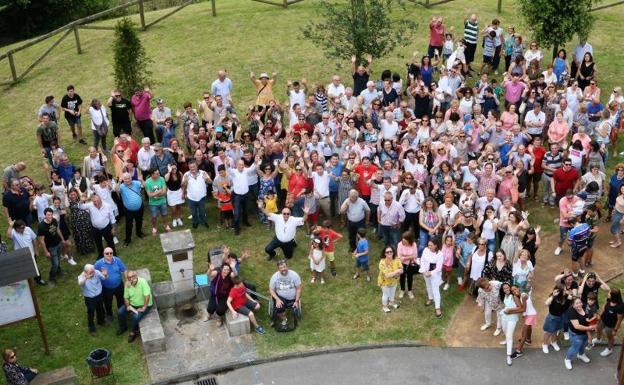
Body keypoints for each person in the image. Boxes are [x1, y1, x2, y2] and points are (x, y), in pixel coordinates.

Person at [117, 270, 153, 343]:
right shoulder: (127, 284)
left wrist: (144, 307)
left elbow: (147, 296)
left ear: (136, 276)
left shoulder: (142, 282)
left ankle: (133, 332)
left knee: (135, 317)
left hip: (144, 305)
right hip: (133, 304)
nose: (131, 279)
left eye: (133, 276)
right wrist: (128, 306)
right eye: (129, 277)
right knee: (120, 312)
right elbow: (126, 297)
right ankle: (123, 327)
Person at [94, 248, 127, 322]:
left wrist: (127, 280)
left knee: (121, 300)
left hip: (119, 285)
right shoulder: (98, 264)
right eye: (107, 253)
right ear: (103, 254)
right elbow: (93, 274)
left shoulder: (117, 260)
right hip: (106, 287)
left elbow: (124, 270)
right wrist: (102, 275)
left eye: (111, 253)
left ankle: (121, 313)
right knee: (108, 302)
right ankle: (109, 314)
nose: (109, 255)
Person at [564, 297, 595, 370]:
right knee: (575, 347)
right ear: (572, 304)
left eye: (580, 302)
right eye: (577, 303)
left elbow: (590, 316)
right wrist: (589, 328)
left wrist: (593, 324)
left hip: (585, 333)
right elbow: (577, 326)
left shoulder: (584, 306)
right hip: (576, 334)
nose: (579, 305)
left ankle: (581, 354)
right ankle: (567, 359)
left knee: (583, 345)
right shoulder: (571, 311)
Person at [268, 260, 302, 327]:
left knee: (281, 307)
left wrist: (296, 301)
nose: (283, 269)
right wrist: (277, 299)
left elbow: (299, 288)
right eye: (281, 268)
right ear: (278, 269)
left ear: (287, 267)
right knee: (279, 308)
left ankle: (282, 315)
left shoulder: (294, 275)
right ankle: (284, 319)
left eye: (284, 267)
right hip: (280, 297)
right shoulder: (275, 277)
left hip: (292, 298)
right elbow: (271, 289)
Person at [37, 208, 66, 286]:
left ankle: (59, 271)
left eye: (51, 214)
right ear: (45, 215)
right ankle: (51, 278)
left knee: (58, 260)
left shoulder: (54, 220)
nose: (50, 216)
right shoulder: (41, 226)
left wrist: (62, 240)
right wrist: (46, 251)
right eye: (48, 215)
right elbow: (41, 240)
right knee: (55, 264)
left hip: (58, 243)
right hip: (51, 247)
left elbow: (58, 230)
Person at [78, 263, 107, 335]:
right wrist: (86, 278)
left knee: (100, 309)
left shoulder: (96, 272)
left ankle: (101, 321)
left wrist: (105, 274)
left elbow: (104, 277)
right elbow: (80, 283)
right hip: (90, 298)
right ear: (85, 272)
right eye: (91, 272)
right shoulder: (82, 276)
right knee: (91, 313)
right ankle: (92, 329)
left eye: (93, 271)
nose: (93, 273)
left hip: (99, 295)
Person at [593, 288, 624, 357]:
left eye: (609, 293)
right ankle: (598, 339)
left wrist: (615, 330)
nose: (608, 293)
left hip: (611, 325)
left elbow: (619, 319)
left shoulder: (620, 307)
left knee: (609, 337)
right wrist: (599, 314)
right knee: (598, 328)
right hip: (603, 320)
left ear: (614, 296)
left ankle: (609, 349)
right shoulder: (608, 300)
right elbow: (604, 307)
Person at [117, 173, 145, 247]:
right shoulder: (122, 186)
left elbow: (144, 186)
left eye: (128, 178)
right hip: (128, 210)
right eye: (125, 179)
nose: (127, 180)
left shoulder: (136, 183)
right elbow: (115, 189)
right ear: (123, 180)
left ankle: (139, 233)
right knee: (129, 225)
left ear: (131, 178)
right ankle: (127, 240)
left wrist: (142, 180)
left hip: (139, 207)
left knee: (139, 221)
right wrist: (119, 182)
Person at [182, 159, 211, 229]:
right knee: (193, 213)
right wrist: (185, 182)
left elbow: (210, 182)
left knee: (202, 211)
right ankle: (195, 222)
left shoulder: (203, 173)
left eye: (194, 166)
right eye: (190, 167)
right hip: (191, 198)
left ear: (197, 166)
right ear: (189, 167)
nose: (192, 168)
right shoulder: (186, 174)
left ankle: (203, 221)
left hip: (202, 197)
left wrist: (207, 179)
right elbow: (182, 185)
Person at [500, 283, 524, 366]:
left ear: (510, 288)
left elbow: (520, 307)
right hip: (504, 316)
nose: (506, 290)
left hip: (512, 319)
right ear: (502, 290)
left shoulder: (514, 297)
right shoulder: (505, 296)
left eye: (507, 288)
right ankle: (506, 340)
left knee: (509, 336)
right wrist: (505, 309)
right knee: (504, 329)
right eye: (504, 289)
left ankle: (509, 355)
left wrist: (510, 309)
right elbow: (506, 305)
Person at [542, 283, 571, 354]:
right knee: (548, 332)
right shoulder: (553, 297)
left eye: (565, 290)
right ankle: (544, 344)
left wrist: (569, 296)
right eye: (564, 290)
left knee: (555, 331)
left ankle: (553, 342)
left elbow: (570, 301)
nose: (565, 291)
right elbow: (546, 303)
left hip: (561, 317)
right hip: (552, 318)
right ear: (559, 291)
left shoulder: (566, 297)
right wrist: (553, 296)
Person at [419, 237, 444, 318]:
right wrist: (424, 271)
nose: (429, 247)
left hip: (435, 275)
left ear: (436, 246)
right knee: (428, 286)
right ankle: (430, 298)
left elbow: (439, 268)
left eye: (431, 245)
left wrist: (431, 273)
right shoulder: (426, 250)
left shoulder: (440, 254)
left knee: (435, 290)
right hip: (426, 272)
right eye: (428, 245)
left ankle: (437, 308)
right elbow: (422, 260)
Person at [377, 245, 403, 313]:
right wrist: (397, 271)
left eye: (390, 251)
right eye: (387, 252)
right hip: (384, 282)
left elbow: (401, 269)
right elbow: (387, 275)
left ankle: (391, 303)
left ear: (393, 252)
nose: (389, 253)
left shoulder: (397, 259)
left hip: (394, 280)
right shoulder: (382, 263)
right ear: (384, 253)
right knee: (386, 294)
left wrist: (398, 272)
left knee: (392, 292)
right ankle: (384, 307)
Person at [145, 168, 170, 235]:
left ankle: (166, 226)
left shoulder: (161, 179)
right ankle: (154, 228)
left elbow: (164, 192)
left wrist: (155, 194)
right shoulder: (147, 182)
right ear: (152, 175)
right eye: (157, 173)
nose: (159, 174)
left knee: (164, 215)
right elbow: (149, 195)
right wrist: (159, 191)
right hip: (153, 203)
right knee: (154, 217)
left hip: (162, 201)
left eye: (158, 173)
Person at [397, 231, 418, 299]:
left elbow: (415, 255)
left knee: (410, 277)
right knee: (402, 276)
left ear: (409, 240)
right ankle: (402, 290)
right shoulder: (400, 244)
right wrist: (409, 256)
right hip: (402, 264)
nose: (403, 241)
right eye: (403, 239)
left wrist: (405, 257)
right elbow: (399, 257)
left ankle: (409, 291)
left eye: (405, 240)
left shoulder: (414, 244)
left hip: (410, 263)